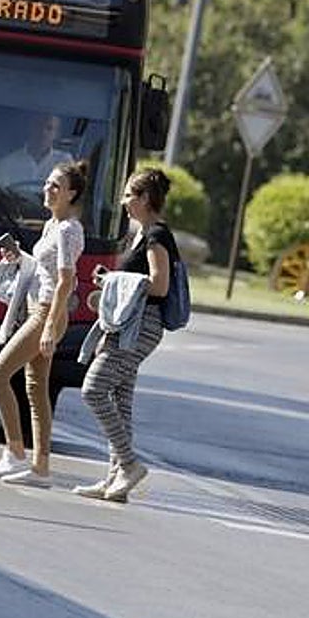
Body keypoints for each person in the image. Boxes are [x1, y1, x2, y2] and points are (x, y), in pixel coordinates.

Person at [0, 161, 87, 487]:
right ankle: (40, 469)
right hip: (34, 307)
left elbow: (65, 282)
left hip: (46, 312)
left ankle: (14, 452)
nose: (48, 189)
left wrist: (51, 328)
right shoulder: (51, 226)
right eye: (48, 183)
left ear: (72, 193)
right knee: (35, 389)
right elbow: (45, 271)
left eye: (56, 185)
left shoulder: (70, 229)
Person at [74, 168, 177, 503]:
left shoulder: (156, 236)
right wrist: (111, 284)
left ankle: (130, 466)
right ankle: (114, 481)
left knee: (93, 389)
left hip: (141, 326)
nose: (124, 202)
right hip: (126, 323)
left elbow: (160, 285)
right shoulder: (141, 233)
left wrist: (114, 282)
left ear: (146, 198)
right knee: (121, 401)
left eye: (129, 195)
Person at [0, 114, 73, 188]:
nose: (43, 132)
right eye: (39, 126)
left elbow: (70, 193)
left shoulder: (64, 162)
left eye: (49, 128)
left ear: (56, 134)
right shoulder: (8, 163)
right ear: (30, 129)